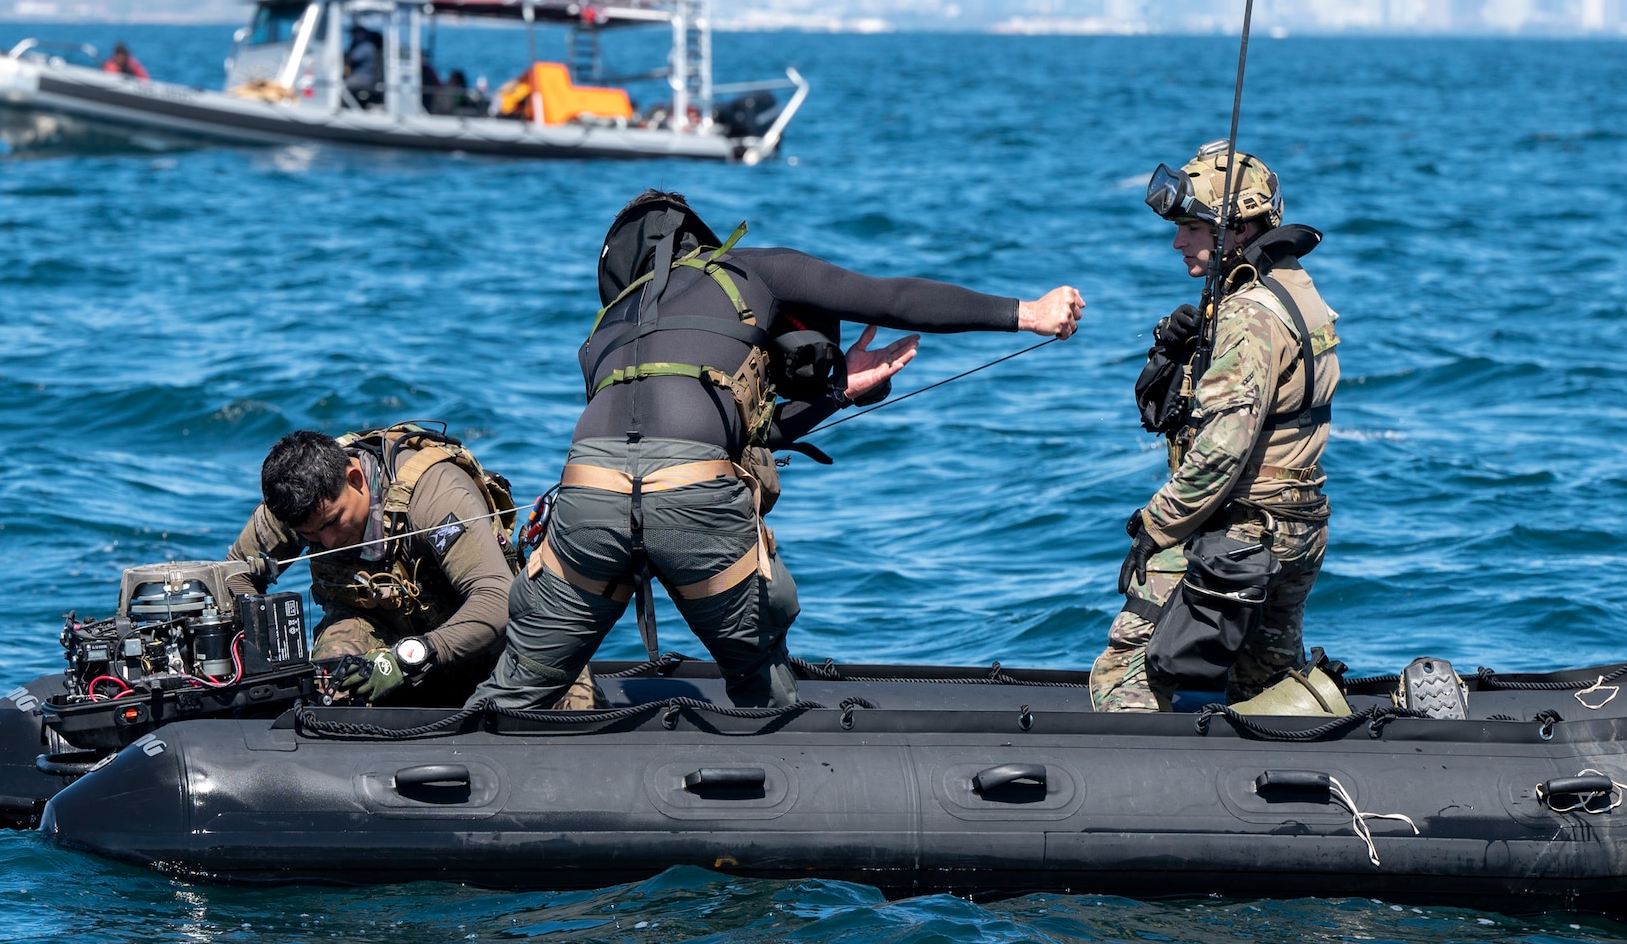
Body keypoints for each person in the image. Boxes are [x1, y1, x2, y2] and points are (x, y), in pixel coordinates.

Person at [471, 189, 1085, 711]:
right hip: (694, 497)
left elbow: (671, 438)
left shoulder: (606, 327)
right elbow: (888, 299)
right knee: (762, 687)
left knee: (517, 693)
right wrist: (1026, 313)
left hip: (586, 499)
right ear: (699, 241)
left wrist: (841, 390)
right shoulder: (750, 269)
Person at [1091, 144, 1339, 713]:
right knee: (1263, 686)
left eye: (1192, 228)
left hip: (1241, 531)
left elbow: (1222, 451)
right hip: (1297, 527)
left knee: (1123, 678)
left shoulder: (1247, 313)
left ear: (1238, 227)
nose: (1178, 241)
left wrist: (1154, 527)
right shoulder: (1294, 290)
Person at [226, 425, 521, 706]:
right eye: (310, 535)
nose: (327, 541)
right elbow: (236, 574)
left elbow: (497, 599)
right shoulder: (294, 501)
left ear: (355, 479)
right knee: (332, 678)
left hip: (471, 639)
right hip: (370, 627)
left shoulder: (435, 497)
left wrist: (409, 657)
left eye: (333, 522)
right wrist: (263, 665)